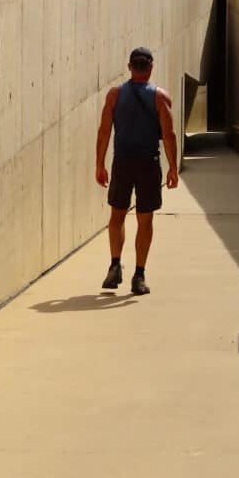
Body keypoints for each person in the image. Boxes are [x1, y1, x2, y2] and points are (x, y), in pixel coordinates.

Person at [95, 47, 179, 295]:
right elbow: (169, 135)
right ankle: (139, 276)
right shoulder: (160, 97)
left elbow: (104, 131)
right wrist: (173, 168)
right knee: (145, 219)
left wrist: (99, 164)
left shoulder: (114, 95)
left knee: (117, 215)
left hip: (122, 162)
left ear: (130, 67)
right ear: (151, 68)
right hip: (148, 164)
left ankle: (114, 264)